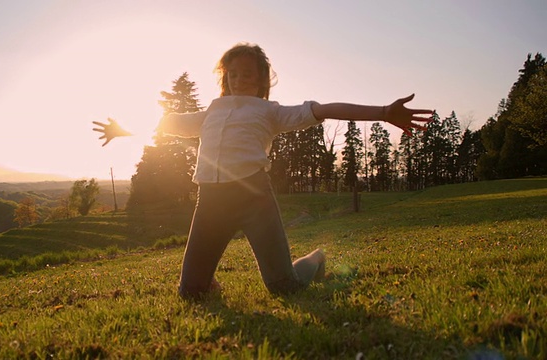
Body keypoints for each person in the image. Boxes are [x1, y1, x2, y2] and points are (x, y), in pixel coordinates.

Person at [93, 43, 433, 299]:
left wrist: (385, 110)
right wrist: (122, 129)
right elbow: (165, 123)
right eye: (233, 73)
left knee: (284, 287)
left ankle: (316, 258)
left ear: (261, 80)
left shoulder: (271, 112)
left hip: (254, 199)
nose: (240, 79)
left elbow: (325, 108)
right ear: (225, 76)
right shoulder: (211, 111)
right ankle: (203, 280)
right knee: (190, 293)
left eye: (248, 74)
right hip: (210, 201)